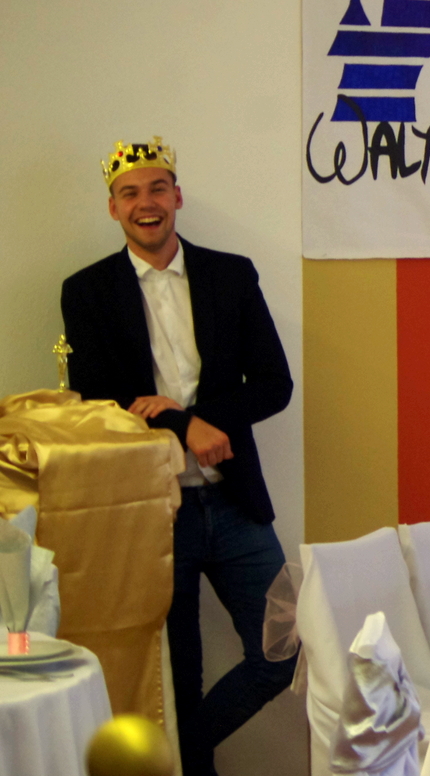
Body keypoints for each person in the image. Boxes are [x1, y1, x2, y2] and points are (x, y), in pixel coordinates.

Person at [60, 137, 294, 776]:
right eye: (130, 192)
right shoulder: (86, 291)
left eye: (157, 188)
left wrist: (193, 418)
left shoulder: (231, 274)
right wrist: (183, 425)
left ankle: (181, 759)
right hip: (154, 512)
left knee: (283, 651)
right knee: (177, 673)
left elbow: (274, 384)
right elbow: (100, 405)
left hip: (236, 501)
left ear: (178, 197)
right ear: (113, 208)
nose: (147, 203)